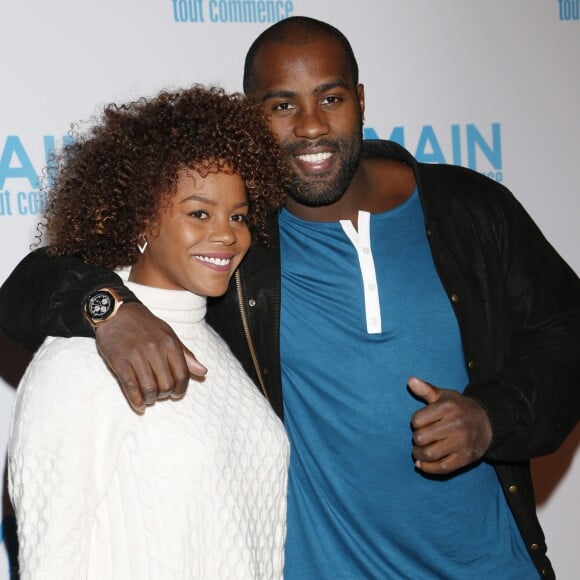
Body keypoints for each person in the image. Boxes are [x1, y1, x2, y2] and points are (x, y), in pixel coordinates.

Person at [1, 15, 579, 580]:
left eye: (330, 99)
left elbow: (568, 332)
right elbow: (32, 283)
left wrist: (491, 417)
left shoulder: (469, 210)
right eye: (281, 106)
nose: (309, 127)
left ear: (360, 99)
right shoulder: (238, 241)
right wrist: (111, 309)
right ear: (251, 118)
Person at [6, 85, 290, 579]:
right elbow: (50, 559)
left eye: (239, 215)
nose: (227, 233)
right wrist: (110, 311)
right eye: (199, 213)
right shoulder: (80, 359)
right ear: (140, 216)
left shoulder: (216, 338)